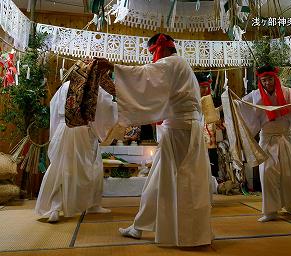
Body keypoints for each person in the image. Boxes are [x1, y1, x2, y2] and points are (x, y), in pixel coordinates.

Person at [115, 33, 212, 246]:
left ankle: (187, 234)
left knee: (181, 181)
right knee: (159, 179)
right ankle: (139, 227)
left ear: (163, 49)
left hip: (179, 131)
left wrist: (116, 69)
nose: (153, 58)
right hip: (182, 129)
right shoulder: (181, 65)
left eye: (153, 52)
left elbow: (145, 75)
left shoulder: (171, 63)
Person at [35, 80, 117, 222]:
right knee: (93, 168)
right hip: (84, 131)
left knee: (60, 168)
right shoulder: (94, 86)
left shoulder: (66, 85)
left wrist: (56, 130)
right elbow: (107, 109)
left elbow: (54, 107)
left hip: (63, 129)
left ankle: (55, 207)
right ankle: (93, 205)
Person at [238, 64, 291, 222]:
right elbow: (243, 106)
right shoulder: (255, 95)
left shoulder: (288, 93)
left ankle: (289, 205)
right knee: (267, 173)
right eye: (264, 80)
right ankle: (270, 211)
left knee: (288, 173)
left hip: (285, 137)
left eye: (270, 79)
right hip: (267, 138)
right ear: (260, 80)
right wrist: (235, 103)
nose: (267, 83)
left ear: (275, 78)